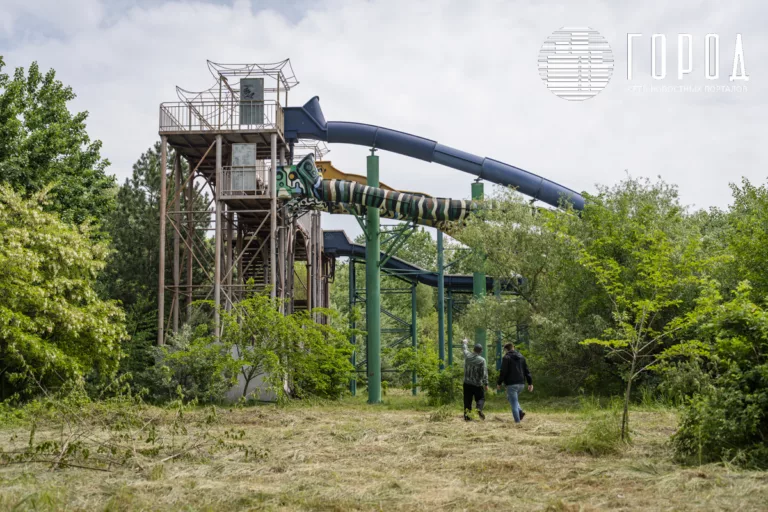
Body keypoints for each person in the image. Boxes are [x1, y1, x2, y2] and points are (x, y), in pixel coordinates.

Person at [496, 342, 533, 423]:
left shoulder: (506, 357)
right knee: (511, 398)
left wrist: (499, 383)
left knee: (514, 404)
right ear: (513, 347)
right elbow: (527, 371)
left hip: (512, 384)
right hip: (521, 384)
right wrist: (530, 383)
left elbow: (503, 372)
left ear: (505, 349)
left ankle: (517, 423)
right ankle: (520, 412)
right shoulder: (521, 357)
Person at [462, 338, 488, 421]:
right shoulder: (482, 360)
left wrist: (465, 342)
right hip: (477, 384)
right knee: (481, 398)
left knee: (467, 401)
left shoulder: (467, 356)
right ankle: (478, 409)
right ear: (481, 351)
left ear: (473, 349)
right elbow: (484, 373)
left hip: (467, 383)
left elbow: (464, 349)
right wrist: (486, 383)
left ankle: (467, 417)